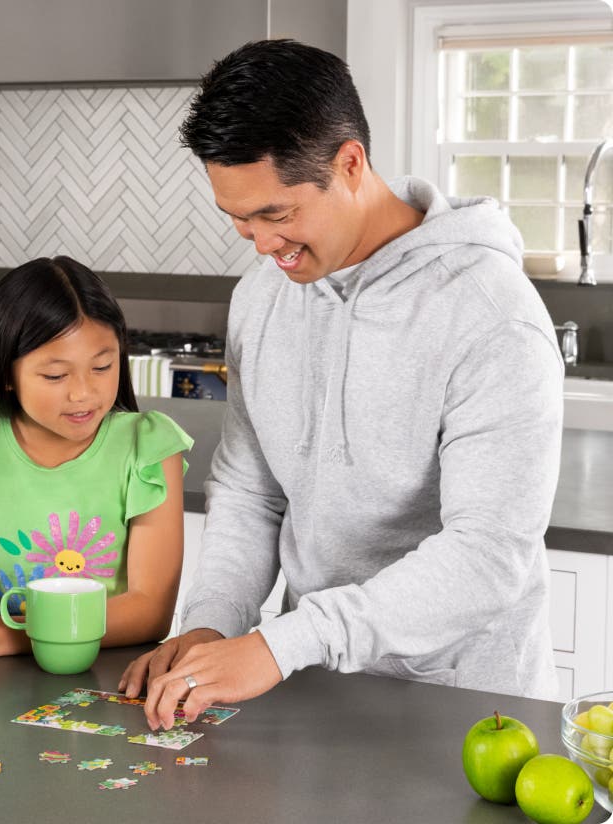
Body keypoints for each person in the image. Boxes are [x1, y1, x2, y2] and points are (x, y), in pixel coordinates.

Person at [119, 39, 564, 729]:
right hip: (312, 684)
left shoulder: (491, 313)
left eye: (277, 213)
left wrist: (282, 642)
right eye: (238, 219)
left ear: (350, 164)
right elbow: (252, 489)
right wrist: (214, 625)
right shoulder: (261, 297)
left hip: (463, 706)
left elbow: (487, 554)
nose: (263, 245)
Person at [0, 256, 193, 677]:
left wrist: (9, 637)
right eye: (56, 376)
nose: (84, 394)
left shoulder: (148, 448)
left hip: (108, 680)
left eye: (102, 366)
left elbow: (150, 610)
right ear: (6, 373)